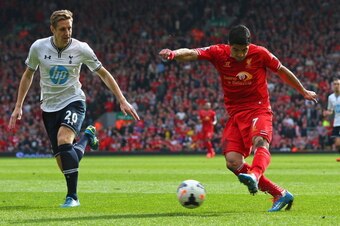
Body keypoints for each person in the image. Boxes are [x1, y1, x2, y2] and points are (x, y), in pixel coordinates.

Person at [159, 24, 317, 212]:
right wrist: (174, 54)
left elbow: (282, 70)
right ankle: (280, 193)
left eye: (244, 50)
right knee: (233, 162)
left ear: (249, 46)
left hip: (259, 109)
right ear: (229, 45)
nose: (240, 54)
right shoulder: (218, 52)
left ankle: (256, 175)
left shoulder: (260, 53)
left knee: (260, 141)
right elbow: (193, 53)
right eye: (236, 50)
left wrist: (303, 91)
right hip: (235, 114)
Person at [8, 10, 140, 208]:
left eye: (69, 28)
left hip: (74, 101)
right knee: (65, 162)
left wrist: (122, 100)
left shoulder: (81, 48)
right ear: (52, 29)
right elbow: (28, 75)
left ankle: (73, 197)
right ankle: (87, 137)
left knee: (63, 140)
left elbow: (103, 73)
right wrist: (18, 105)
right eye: (62, 29)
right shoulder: (38, 47)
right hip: (49, 107)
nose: (67, 32)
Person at [323, 78, 340, 161]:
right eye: (335, 84)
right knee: (337, 144)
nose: (336, 86)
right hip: (337, 122)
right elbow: (330, 110)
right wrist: (326, 113)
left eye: (338, 84)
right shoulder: (331, 97)